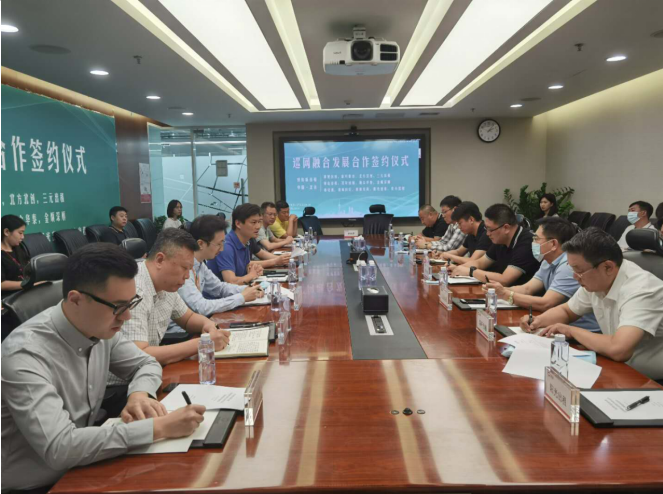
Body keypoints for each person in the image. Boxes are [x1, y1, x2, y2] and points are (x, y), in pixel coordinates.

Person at [1, 243, 205, 492]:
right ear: (76, 300)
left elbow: (146, 362)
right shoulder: (24, 355)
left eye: (131, 304)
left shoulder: (99, 327)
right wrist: (159, 427)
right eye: (118, 307)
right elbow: (60, 447)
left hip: (86, 462)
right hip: (38, 483)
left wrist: (139, 394)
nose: (126, 317)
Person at [107, 229, 231, 414]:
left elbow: (188, 318)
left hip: (150, 376)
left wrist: (209, 326)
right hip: (121, 391)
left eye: (190, 269)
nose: (187, 276)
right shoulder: (135, 289)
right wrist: (203, 343)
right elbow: (141, 355)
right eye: (184, 268)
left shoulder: (167, 285)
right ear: (160, 260)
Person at [522, 228, 663, 382]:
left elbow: (619, 349)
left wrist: (571, 330)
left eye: (579, 271)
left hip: (649, 381)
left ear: (608, 267)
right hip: (616, 368)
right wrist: (537, 321)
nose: (575, 277)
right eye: (572, 269)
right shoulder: (598, 278)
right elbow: (567, 311)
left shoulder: (642, 290)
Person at [486, 217, 599, 331]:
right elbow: (527, 289)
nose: (532, 242)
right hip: (560, 326)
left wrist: (506, 294)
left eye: (536, 238)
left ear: (553, 244)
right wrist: (498, 290)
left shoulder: (569, 266)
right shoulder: (547, 260)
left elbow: (546, 303)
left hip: (582, 331)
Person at [170, 215, 263, 331]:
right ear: (200, 244)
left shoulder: (200, 264)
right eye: (219, 244)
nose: (222, 249)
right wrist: (241, 297)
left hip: (201, 325)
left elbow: (219, 288)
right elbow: (201, 307)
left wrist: (247, 289)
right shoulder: (183, 269)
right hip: (183, 333)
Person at [448, 204, 540, 285]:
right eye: (486, 229)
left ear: (506, 228)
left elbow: (505, 280)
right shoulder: (500, 239)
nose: (487, 234)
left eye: (490, 229)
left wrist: (471, 272)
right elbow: (480, 263)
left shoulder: (527, 243)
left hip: (521, 296)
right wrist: (458, 268)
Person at [209, 203, 264, 284]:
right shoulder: (225, 246)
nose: (258, 226)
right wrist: (252, 275)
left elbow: (244, 270)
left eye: (259, 222)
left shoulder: (246, 242)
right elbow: (231, 281)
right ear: (238, 224)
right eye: (253, 222)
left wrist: (253, 270)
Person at [1, 214, 26, 299]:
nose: (22, 237)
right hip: (8, 298)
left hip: (24, 292)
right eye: (20, 233)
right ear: (6, 232)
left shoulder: (18, 247)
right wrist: (26, 284)